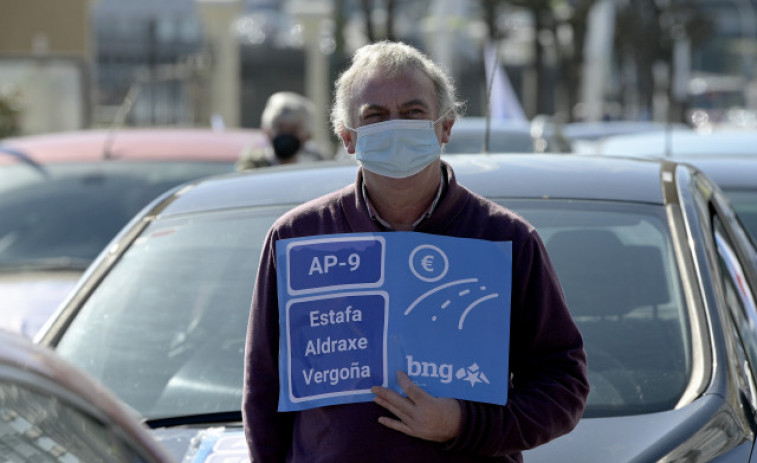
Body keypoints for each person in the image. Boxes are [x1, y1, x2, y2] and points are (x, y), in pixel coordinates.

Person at [242, 41, 589, 463]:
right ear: (347, 137)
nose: (396, 127)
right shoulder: (296, 238)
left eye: (413, 113)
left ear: (445, 127)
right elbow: (263, 392)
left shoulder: (507, 239)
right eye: (375, 116)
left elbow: (563, 384)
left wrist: (463, 424)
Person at [236, 91, 324, 170]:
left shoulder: (317, 165)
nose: (286, 135)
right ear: (267, 132)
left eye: (293, 130)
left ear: (307, 136)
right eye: (280, 129)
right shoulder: (253, 166)